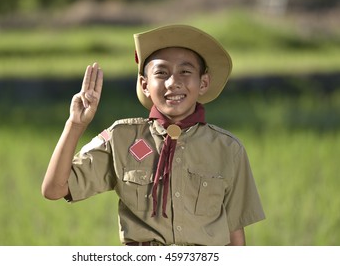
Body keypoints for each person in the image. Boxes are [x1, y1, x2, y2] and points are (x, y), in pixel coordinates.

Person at [41, 24, 265, 246]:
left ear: (203, 82)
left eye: (185, 72)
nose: (173, 82)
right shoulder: (122, 139)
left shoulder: (227, 149)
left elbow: (235, 233)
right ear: (145, 84)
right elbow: (54, 189)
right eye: (161, 73)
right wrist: (75, 124)